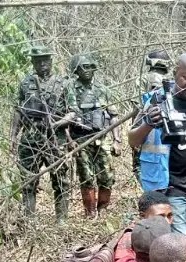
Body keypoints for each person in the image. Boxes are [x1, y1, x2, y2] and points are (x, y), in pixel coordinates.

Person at [129, 53, 186, 249]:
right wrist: (148, 123)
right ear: (175, 74)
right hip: (172, 184)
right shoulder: (157, 100)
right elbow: (132, 140)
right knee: (180, 242)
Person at [10, 45, 72, 222]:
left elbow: (73, 112)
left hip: (55, 137)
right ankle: (29, 220)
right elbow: (18, 111)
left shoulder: (63, 84)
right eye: (38, 61)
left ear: (51, 61)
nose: (42, 63)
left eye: (45, 60)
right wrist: (13, 136)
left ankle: (62, 221)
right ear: (32, 62)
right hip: (30, 137)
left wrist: (58, 122)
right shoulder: (25, 83)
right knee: (28, 181)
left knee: (61, 180)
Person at [67, 54, 121, 218]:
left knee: (107, 177)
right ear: (77, 70)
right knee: (86, 177)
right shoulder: (70, 90)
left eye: (90, 67)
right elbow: (65, 117)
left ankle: (103, 211)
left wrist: (117, 140)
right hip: (81, 140)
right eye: (84, 67)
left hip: (102, 139)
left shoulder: (103, 90)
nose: (88, 70)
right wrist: (70, 141)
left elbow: (113, 116)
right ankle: (90, 213)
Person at [134, 50, 172, 190]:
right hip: (169, 130)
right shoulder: (173, 81)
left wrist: (136, 130)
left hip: (148, 129)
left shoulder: (143, 79)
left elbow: (138, 109)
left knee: (140, 167)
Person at [113, 190, 175, 260]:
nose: (167, 222)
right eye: (160, 217)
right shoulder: (129, 239)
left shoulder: (168, 235)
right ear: (142, 216)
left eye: (169, 216)